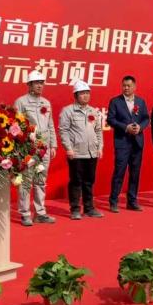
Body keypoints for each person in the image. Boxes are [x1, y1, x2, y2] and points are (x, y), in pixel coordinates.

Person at [14, 70, 57, 226]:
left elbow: (50, 125)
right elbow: (16, 126)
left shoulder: (46, 103)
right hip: (28, 148)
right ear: (29, 85)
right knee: (26, 180)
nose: (40, 85)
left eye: (41, 83)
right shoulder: (21, 102)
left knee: (41, 180)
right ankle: (25, 213)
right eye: (36, 83)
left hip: (44, 148)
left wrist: (53, 144)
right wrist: (21, 147)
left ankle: (40, 213)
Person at [58, 80, 104, 220]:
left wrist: (100, 147)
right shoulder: (68, 111)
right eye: (82, 93)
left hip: (91, 153)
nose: (85, 96)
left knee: (89, 181)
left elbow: (98, 130)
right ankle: (75, 210)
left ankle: (89, 208)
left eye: (87, 93)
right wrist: (68, 148)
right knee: (76, 181)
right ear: (75, 95)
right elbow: (63, 131)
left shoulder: (93, 111)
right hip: (76, 153)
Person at [106, 75, 150, 213]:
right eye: (124, 85)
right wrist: (126, 127)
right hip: (122, 142)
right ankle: (113, 201)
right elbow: (111, 119)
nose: (126, 88)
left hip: (137, 142)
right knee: (119, 172)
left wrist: (140, 128)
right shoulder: (115, 101)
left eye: (129, 86)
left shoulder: (141, 101)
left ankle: (132, 201)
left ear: (134, 87)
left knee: (135, 173)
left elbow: (146, 119)